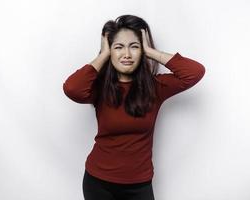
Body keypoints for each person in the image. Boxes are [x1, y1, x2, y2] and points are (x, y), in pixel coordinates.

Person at [63, 14, 205, 200]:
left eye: (134, 47)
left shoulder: (155, 87)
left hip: (139, 184)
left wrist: (151, 51)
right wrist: (104, 55)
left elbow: (194, 72)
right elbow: (72, 88)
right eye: (118, 47)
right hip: (98, 181)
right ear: (109, 51)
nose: (127, 54)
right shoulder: (98, 88)